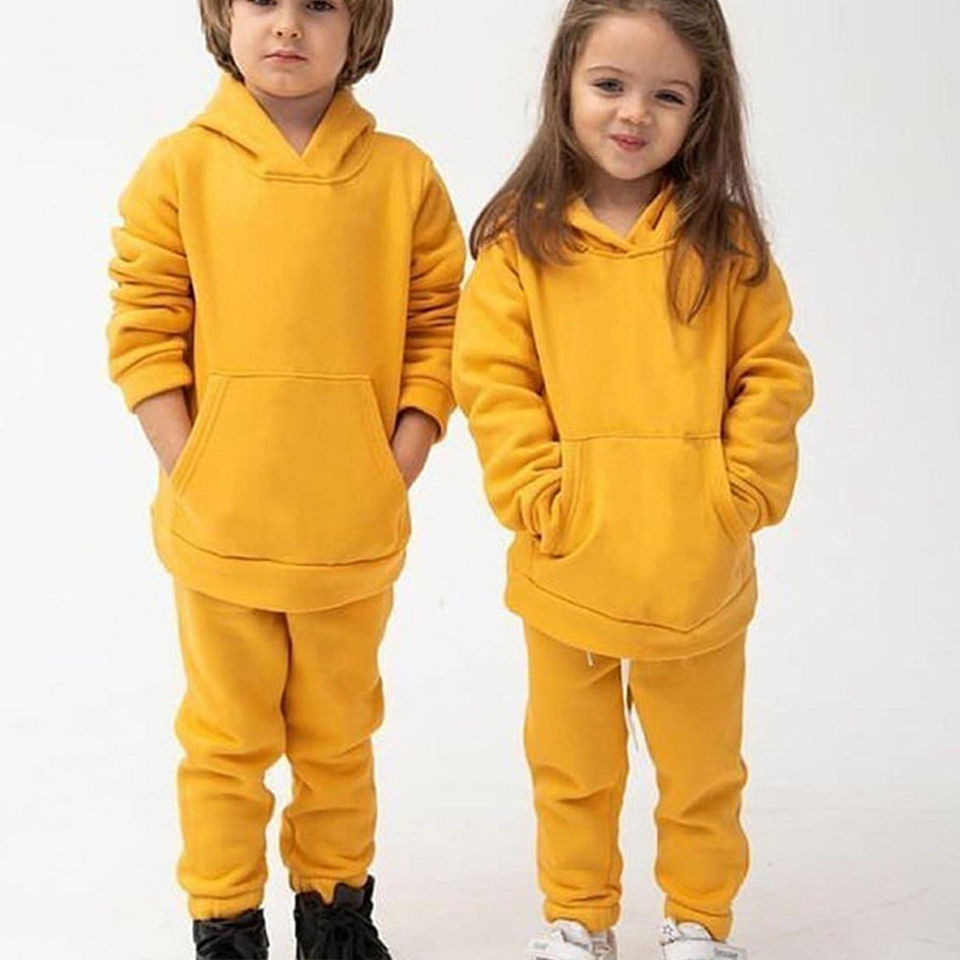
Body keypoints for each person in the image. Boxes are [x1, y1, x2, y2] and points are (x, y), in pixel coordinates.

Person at [453, 1, 814, 957]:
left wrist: (738, 493)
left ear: (705, 109)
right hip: (566, 563)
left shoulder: (727, 243)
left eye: (668, 95)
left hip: (698, 567)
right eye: (609, 85)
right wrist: (541, 499)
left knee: (702, 769)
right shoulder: (519, 246)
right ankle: (578, 918)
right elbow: (493, 384)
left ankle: (698, 921)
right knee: (571, 766)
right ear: (564, 84)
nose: (633, 114)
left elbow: (772, 373)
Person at [106, 1, 464, 956]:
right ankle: (225, 923)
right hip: (219, 533)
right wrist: (195, 467)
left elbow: (439, 327)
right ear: (224, 15)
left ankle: (336, 918)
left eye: (320, 4)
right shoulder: (179, 168)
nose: (288, 25)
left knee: (338, 741)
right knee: (224, 745)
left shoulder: (405, 178)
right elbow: (143, 328)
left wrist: (396, 465)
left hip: (352, 533)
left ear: (362, 26)